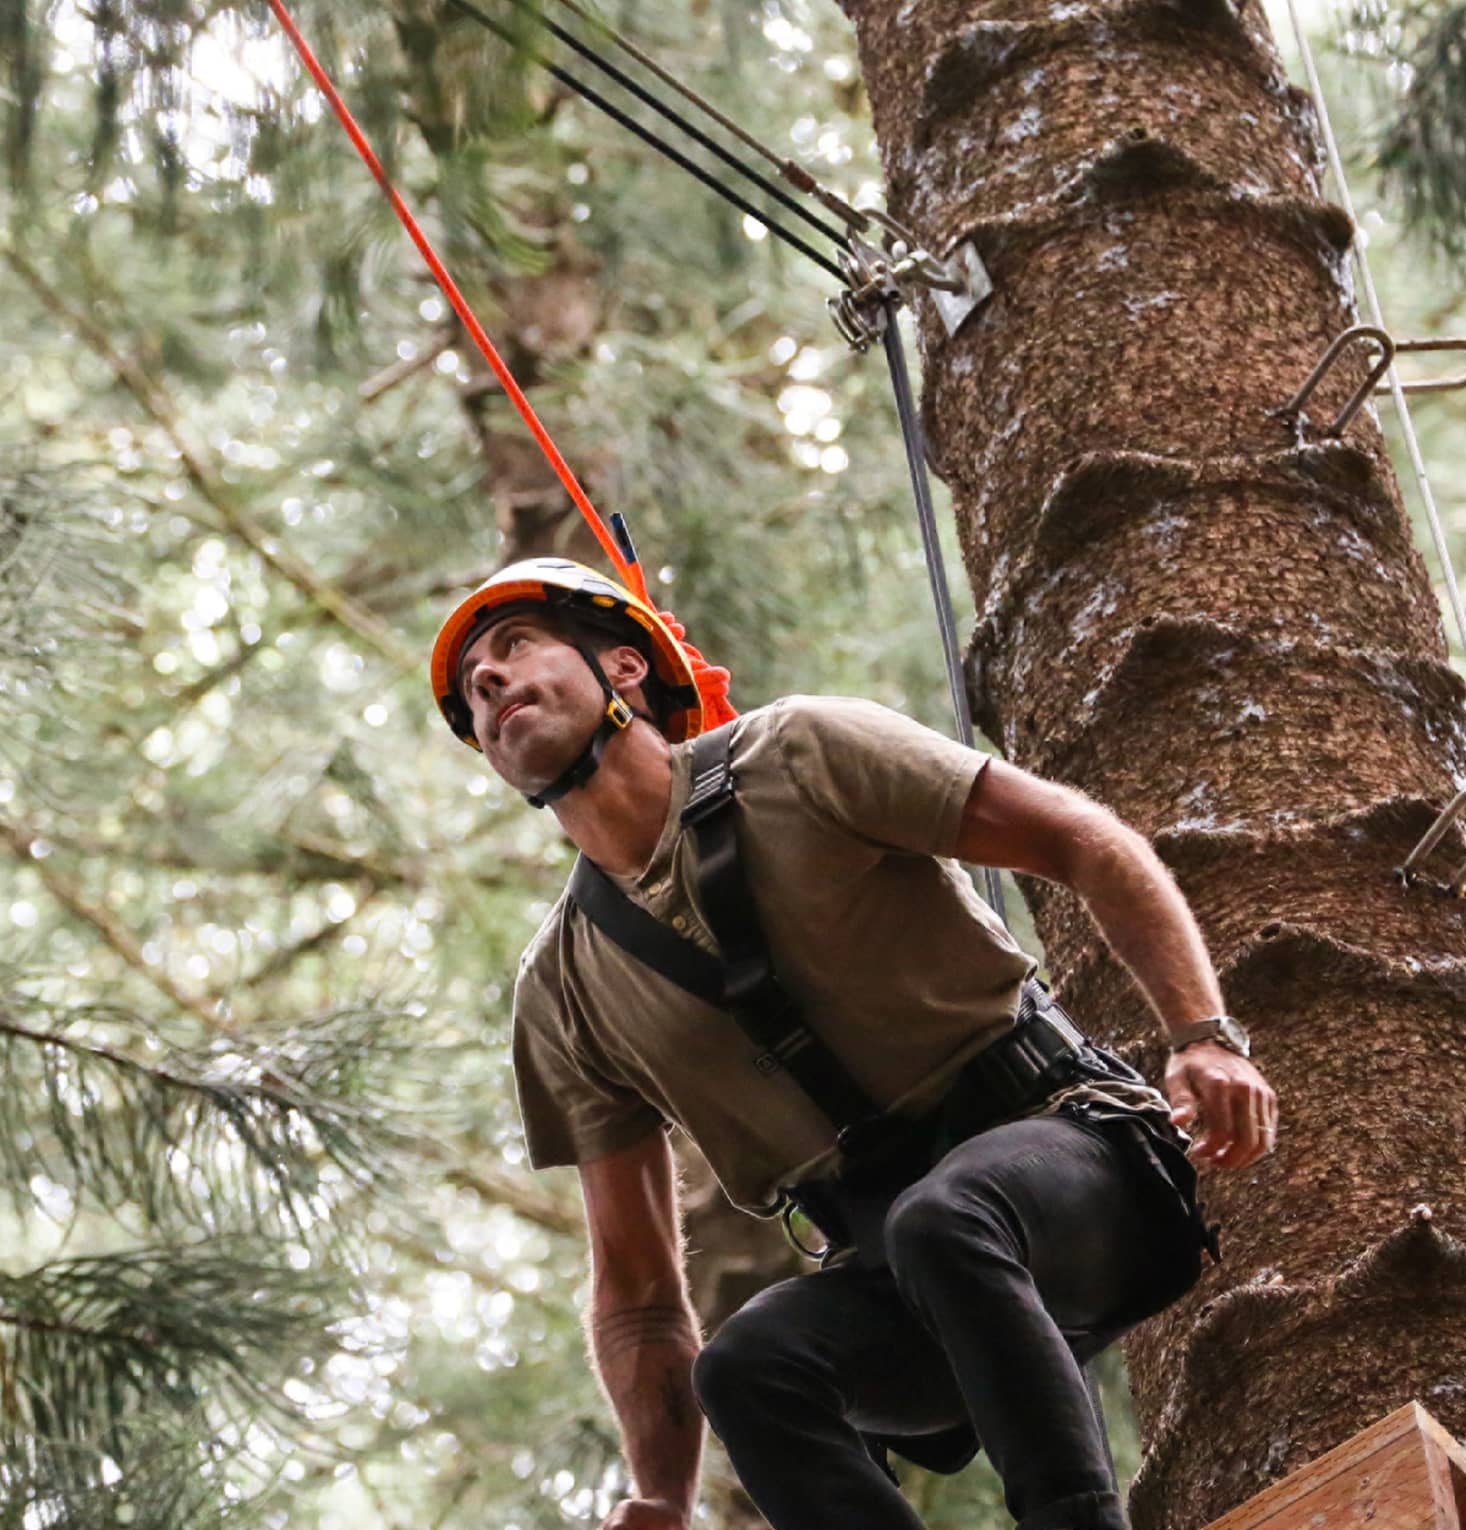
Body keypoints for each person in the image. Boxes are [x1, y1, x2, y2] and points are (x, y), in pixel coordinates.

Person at [430, 557, 1279, 1530]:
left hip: (1078, 1163)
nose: (488, 683)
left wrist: (1203, 1035)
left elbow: (1080, 839)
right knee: (748, 1369)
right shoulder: (565, 990)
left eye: (515, 646)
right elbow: (636, 1291)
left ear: (625, 668)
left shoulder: (799, 756)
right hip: (899, 1266)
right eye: (469, 693)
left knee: (945, 1218)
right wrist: (660, 1497)